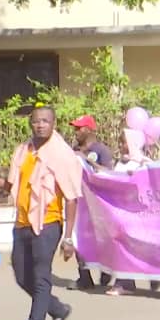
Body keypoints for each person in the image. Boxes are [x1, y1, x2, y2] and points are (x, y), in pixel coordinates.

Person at [0, 106, 81, 320]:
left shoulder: (62, 154)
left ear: (54, 124)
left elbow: (72, 197)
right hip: (22, 223)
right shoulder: (24, 150)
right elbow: (11, 185)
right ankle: (58, 309)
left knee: (41, 276)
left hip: (48, 223)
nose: (40, 125)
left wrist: (68, 238)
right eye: (36, 121)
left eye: (45, 121)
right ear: (30, 124)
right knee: (23, 277)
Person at [68, 114, 114, 290]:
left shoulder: (101, 150)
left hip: (98, 203)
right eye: (75, 128)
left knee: (102, 239)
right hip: (79, 202)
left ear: (88, 129)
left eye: (78, 128)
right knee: (78, 238)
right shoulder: (73, 149)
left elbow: (108, 173)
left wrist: (86, 160)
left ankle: (106, 269)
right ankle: (84, 277)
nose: (75, 131)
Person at [106, 128, 154, 296]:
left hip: (136, 213)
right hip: (120, 211)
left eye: (124, 142)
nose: (121, 145)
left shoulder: (143, 162)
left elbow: (151, 182)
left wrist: (136, 175)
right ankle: (125, 282)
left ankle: (127, 281)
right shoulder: (121, 163)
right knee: (121, 246)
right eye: (120, 142)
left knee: (130, 246)